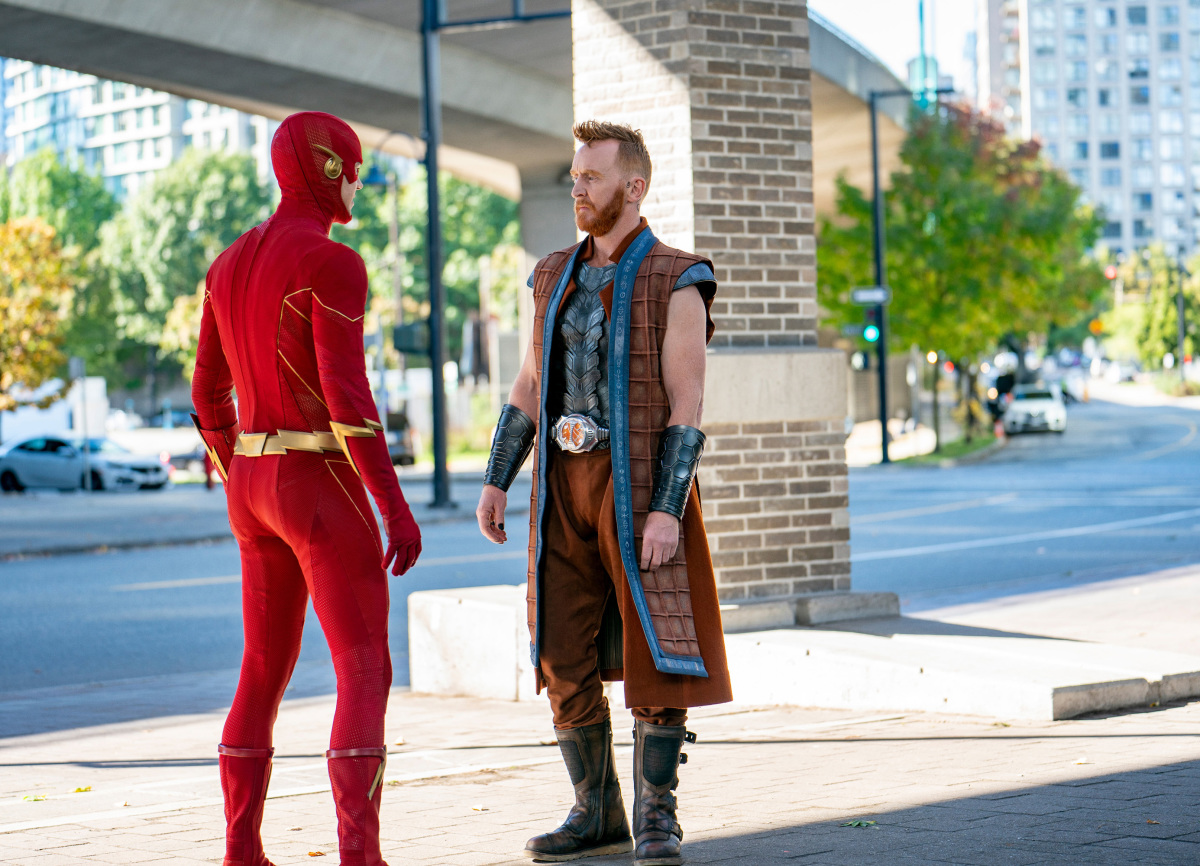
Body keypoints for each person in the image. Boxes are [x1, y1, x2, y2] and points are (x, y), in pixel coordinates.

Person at [476, 120, 732, 866]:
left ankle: (656, 816)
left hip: (640, 485)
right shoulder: (551, 273)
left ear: (634, 185)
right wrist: (497, 477)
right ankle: (597, 812)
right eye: (575, 176)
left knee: (659, 646)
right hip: (563, 484)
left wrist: (668, 509)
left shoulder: (678, 277)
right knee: (559, 648)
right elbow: (529, 383)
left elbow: (688, 402)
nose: (577, 188)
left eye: (591, 176)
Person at [192, 111, 421, 866]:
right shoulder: (332, 262)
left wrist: (238, 469)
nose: (357, 183)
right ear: (328, 171)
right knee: (363, 664)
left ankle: (241, 850)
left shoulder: (225, 264)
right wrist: (394, 509)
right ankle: (360, 855)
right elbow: (349, 403)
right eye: (352, 170)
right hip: (315, 476)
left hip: (251, 481)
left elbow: (206, 394)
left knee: (262, 669)